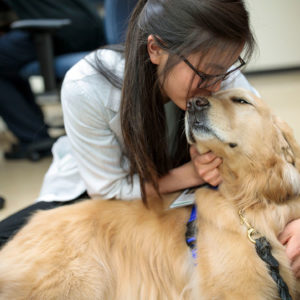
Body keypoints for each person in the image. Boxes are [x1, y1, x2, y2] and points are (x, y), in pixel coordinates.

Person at [1, 0, 300, 278]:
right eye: (205, 72)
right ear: (155, 48)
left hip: (184, 201)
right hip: (98, 193)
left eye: (225, 70)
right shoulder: (87, 85)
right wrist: (189, 174)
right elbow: (108, 190)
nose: (216, 85)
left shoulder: (219, 74)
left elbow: (278, 154)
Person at [0, 0, 104, 159]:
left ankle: (33, 138)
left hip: (60, 31)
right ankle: (33, 131)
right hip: (92, 28)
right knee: (7, 62)